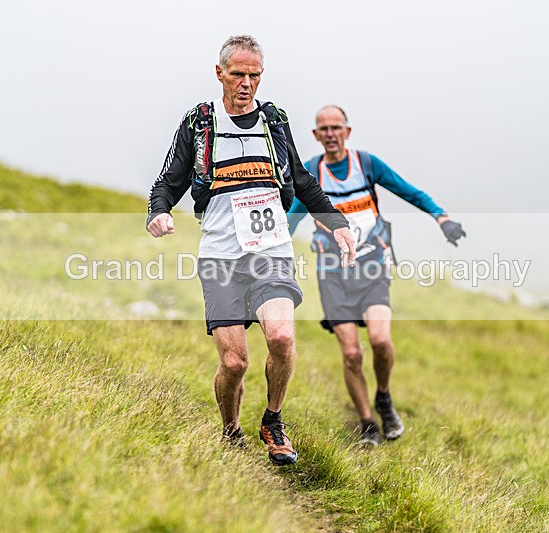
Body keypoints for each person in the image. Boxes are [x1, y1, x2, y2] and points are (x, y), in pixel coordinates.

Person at [147, 37, 356, 466]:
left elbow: (301, 180)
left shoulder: (273, 121)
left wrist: (336, 223)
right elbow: (169, 180)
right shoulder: (200, 123)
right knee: (234, 363)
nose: (246, 83)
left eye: (254, 75)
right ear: (220, 73)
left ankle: (273, 421)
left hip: (270, 250)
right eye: (238, 74)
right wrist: (159, 211)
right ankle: (230, 431)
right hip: (221, 255)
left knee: (281, 337)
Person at [287, 105, 466, 446]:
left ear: (347, 131)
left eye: (336, 127)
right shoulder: (311, 173)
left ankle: (383, 397)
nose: (330, 134)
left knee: (381, 340)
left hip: (372, 268)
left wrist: (441, 217)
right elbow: (291, 219)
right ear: (315, 135)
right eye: (324, 129)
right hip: (333, 274)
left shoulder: (366, 165)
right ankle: (368, 423)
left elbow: (409, 191)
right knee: (352, 353)